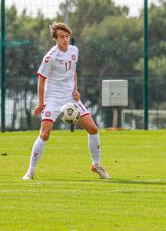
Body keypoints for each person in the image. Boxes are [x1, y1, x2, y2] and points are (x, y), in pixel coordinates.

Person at [22, 22, 111, 180]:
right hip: (53, 98)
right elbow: (41, 80)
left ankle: (96, 165)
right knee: (45, 133)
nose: (65, 39)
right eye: (61, 37)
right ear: (55, 38)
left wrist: (75, 90)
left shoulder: (74, 50)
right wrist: (42, 103)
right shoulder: (50, 57)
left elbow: (73, 71)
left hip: (70, 97)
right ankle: (31, 171)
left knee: (93, 129)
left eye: (67, 36)